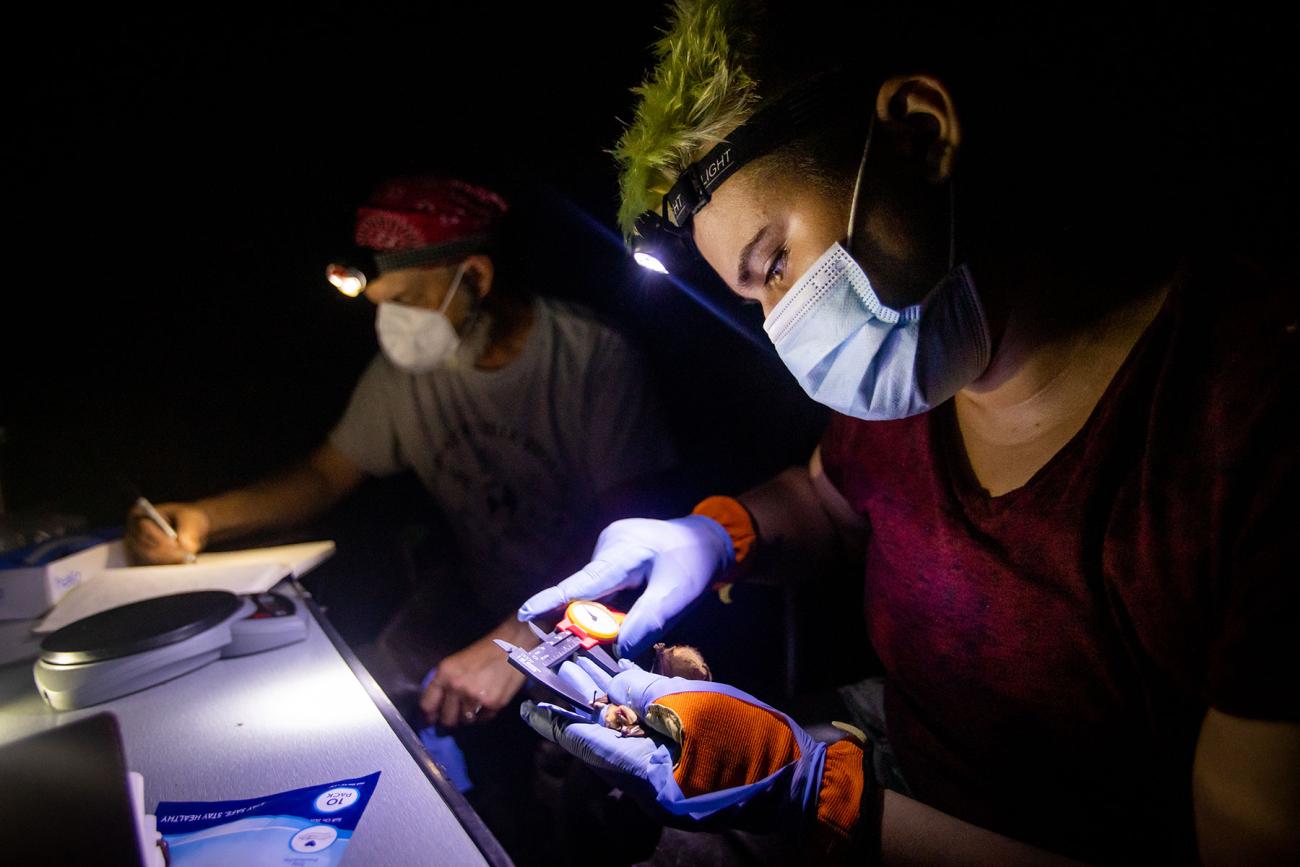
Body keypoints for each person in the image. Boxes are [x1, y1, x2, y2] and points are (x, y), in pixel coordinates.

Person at [516, 2, 1299, 864]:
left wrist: (823, 795)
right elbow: (828, 494)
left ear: (920, 137)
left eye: (775, 264)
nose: (784, 330)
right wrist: (717, 534)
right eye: (756, 301)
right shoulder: (924, 355)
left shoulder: (1249, 429)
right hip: (911, 747)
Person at [124, 175, 677, 774]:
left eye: (407, 301)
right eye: (381, 305)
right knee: (358, 694)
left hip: (598, 620)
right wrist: (207, 517)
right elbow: (324, 475)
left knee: (586, 770)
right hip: (478, 596)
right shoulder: (403, 377)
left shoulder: (591, 359)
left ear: (477, 278)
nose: (390, 324)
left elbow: (629, 541)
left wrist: (522, 643)